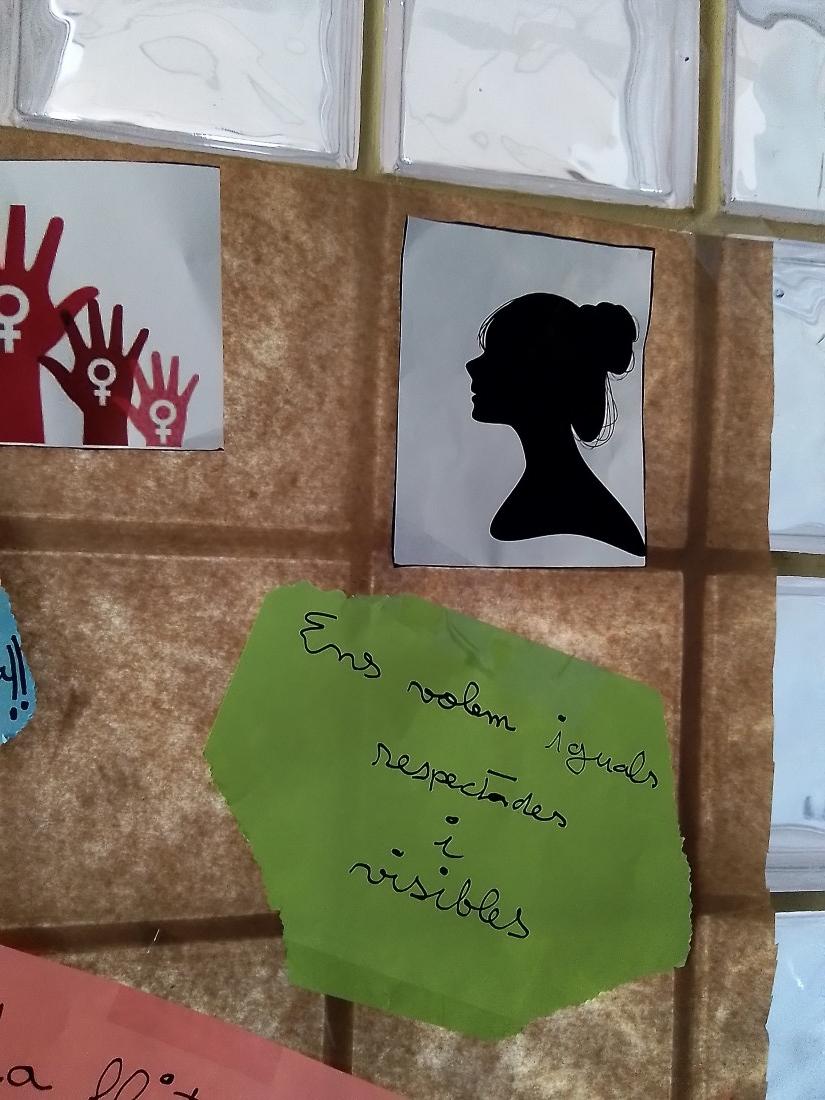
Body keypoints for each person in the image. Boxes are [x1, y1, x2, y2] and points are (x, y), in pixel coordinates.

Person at [466, 292, 646, 556]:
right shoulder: (548, 501)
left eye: (500, 353)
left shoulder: (586, 510)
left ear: (544, 372)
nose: (472, 366)